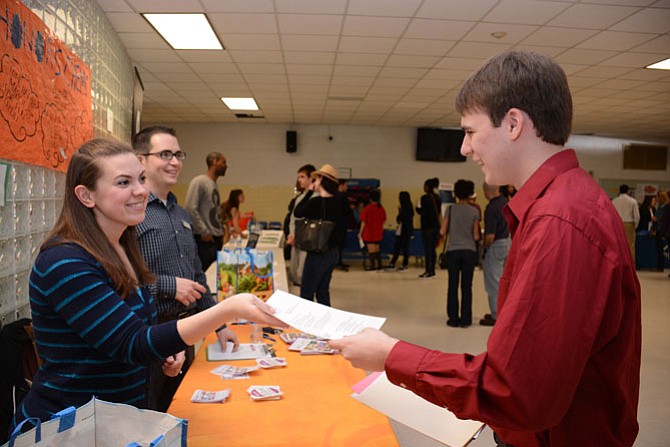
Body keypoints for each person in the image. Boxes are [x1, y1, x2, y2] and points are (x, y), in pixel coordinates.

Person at [330, 50, 641, 447]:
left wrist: (392, 355)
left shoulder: (560, 220)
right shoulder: (562, 203)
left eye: (471, 131)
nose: (464, 148)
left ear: (513, 123)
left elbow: (516, 394)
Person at [14, 138, 285, 431]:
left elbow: (137, 327)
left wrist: (164, 350)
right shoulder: (64, 261)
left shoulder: (123, 248)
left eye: (141, 179)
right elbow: (132, 343)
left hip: (119, 421)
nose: (141, 190)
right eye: (123, 182)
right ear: (86, 195)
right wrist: (226, 311)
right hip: (71, 427)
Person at [132, 126, 239, 412]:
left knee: (179, 410)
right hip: (147, 332)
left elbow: (196, 276)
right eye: (165, 154)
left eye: (178, 154)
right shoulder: (131, 212)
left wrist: (219, 325)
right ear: (140, 160)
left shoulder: (180, 213)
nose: (175, 161)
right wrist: (169, 285)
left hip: (186, 330)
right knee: (150, 413)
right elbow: (120, 282)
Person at [293, 164, 341, 307]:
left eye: (317, 178)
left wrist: (309, 192)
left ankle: (309, 325)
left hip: (317, 253)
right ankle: (326, 325)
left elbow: (298, 212)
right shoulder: (340, 202)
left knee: (306, 292)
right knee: (322, 291)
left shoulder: (316, 202)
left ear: (322, 180)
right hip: (332, 252)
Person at [439, 179, 480, 328]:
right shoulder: (475, 211)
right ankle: (466, 319)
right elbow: (476, 236)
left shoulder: (450, 209)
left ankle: (453, 319)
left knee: (453, 285)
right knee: (467, 286)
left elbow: (442, 231)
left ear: (455, 193)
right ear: (470, 193)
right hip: (469, 251)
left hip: (453, 251)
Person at [184, 151, 228, 271]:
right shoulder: (199, 181)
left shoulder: (213, 183)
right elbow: (190, 208)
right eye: (223, 162)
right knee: (206, 275)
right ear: (214, 162)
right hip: (206, 241)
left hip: (215, 239)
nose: (226, 166)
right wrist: (204, 232)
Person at [479, 182, 511, 326]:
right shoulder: (507, 202)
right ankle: (504, 313)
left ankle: (496, 316)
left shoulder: (491, 208)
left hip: (496, 246)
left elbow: (490, 236)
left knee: (493, 282)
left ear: (486, 192)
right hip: (508, 243)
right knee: (504, 281)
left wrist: (483, 248)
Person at [286, 164, 316, 286]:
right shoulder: (300, 198)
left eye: (302, 177)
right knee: (294, 270)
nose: (299, 180)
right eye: (299, 177)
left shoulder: (316, 198)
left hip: (308, 241)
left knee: (303, 273)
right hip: (296, 238)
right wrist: (291, 234)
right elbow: (293, 218)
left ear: (311, 178)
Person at [416, 177, 441, 278]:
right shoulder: (438, 198)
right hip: (436, 227)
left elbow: (423, 212)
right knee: (433, 249)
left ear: (427, 186)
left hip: (427, 227)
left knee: (427, 249)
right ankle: (433, 270)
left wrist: (417, 209)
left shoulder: (424, 198)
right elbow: (438, 213)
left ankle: (427, 270)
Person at [359, 189, 387, 271]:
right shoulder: (381, 208)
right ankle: (380, 265)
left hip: (369, 232)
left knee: (371, 250)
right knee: (377, 249)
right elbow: (384, 219)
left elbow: (363, 222)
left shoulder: (367, 209)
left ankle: (372, 266)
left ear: (370, 199)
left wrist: (360, 232)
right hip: (378, 231)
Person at [387, 191, 414, 271]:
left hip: (405, 230)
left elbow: (401, 219)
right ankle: (395, 262)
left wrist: (400, 213)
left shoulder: (407, 208)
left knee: (403, 247)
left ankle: (403, 263)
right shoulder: (408, 207)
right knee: (399, 246)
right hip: (403, 229)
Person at [611, 184, 640, 257]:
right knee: (630, 245)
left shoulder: (614, 201)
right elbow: (637, 216)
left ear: (619, 191)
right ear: (628, 191)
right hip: (629, 223)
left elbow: (611, 214)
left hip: (617, 224)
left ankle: (618, 264)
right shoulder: (633, 201)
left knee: (618, 244)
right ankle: (631, 265)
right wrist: (635, 226)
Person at [334, 179, 351, 272]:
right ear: (341, 185)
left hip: (337, 224)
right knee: (340, 244)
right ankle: (337, 262)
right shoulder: (342, 196)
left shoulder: (335, 196)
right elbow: (346, 210)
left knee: (338, 245)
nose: (347, 187)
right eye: (346, 185)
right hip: (341, 224)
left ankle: (338, 261)